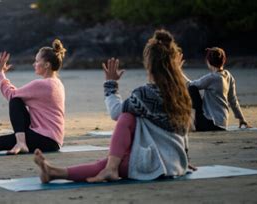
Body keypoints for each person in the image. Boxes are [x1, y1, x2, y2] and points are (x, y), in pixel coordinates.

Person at [34, 29, 196, 183]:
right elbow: (183, 131)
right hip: (175, 161)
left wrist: (111, 84)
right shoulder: (181, 94)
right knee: (113, 156)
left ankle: (106, 169)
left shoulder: (146, 94)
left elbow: (116, 112)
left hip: (155, 164)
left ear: (150, 65)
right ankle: (54, 172)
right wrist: (183, 158)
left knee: (126, 117)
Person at [181, 47, 251, 131]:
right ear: (224, 60)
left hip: (209, 123)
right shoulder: (228, 76)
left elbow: (190, 84)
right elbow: (233, 100)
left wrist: (178, 70)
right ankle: (193, 122)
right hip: (222, 124)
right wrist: (242, 119)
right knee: (193, 88)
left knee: (192, 89)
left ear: (208, 62)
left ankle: (192, 123)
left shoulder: (212, 77)